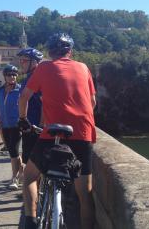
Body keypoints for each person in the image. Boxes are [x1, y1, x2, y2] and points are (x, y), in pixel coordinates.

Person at [18, 33, 96, 229]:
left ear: (50, 52)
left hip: (52, 136)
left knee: (28, 177)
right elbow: (93, 102)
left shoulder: (44, 67)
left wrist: (23, 120)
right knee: (84, 194)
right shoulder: (83, 68)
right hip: (82, 133)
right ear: (70, 51)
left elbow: (24, 98)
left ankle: (31, 220)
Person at [0, 64, 22, 190]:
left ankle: (14, 179)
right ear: (4, 76)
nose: (12, 77)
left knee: (13, 153)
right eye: (9, 75)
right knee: (12, 152)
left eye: (14, 75)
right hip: (4, 126)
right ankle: (22, 173)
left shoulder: (20, 90)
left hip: (17, 125)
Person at [17, 48, 43, 164]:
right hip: (30, 127)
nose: (21, 63)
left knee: (32, 166)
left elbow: (45, 103)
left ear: (34, 62)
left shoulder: (38, 78)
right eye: (21, 60)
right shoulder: (28, 78)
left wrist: (41, 127)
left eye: (24, 60)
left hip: (35, 129)